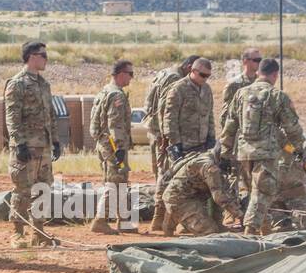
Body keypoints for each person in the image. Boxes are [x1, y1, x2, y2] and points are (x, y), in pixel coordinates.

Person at [220, 58, 305, 235]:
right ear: (275, 75)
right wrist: (298, 148)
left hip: (244, 154)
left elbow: (230, 125)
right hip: (266, 154)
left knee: (256, 194)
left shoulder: (241, 94)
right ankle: (250, 232)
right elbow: (292, 127)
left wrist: (225, 152)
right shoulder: (277, 96)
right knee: (262, 194)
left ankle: (265, 233)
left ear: (258, 72)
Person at [4, 40, 58, 248]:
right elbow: (12, 117)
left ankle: (39, 232)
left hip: (43, 146)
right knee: (22, 190)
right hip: (26, 147)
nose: (46, 59)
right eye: (43, 55)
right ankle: (17, 233)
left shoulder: (43, 84)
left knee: (43, 189)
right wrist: (18, 144)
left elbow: (50, 115)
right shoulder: (17, 84)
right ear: (31, 57)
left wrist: (55, 139)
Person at [145, 55, 198, 231]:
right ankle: (160, 218)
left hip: (156, 130)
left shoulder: (164, 73)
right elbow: (165, 108)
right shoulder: (175, 78)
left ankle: (161, 218)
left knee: (162, 172)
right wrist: (167, 136)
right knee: (167, 173)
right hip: (163, 133)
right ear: (189, 67)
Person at [89, 60, 134, 234]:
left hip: (104, 144)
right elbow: (115, 124)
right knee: (114, 183)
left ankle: (123, 221)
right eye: (130, 74)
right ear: (121, 74)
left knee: (120, 181)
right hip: (114, 146)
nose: (131, 77)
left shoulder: (104, 92)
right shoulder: (117, 95)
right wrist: (120, 148)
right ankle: (100, 220)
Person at [159, 149, 244, 236]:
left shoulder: (208, 157)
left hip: (186, 197)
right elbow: (219, 197)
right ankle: (175, 216)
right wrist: (240, 215)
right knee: (210, 232)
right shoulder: (210, 166)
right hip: (180, 200)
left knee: (218, 229)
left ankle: (173, 218)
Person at [221, 47, 262, 126]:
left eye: (260, 60)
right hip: (240, 133)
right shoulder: (234, 84)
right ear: (245, 61)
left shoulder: (261, 82)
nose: (259, 63)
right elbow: (227, 114)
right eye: (256, 60)